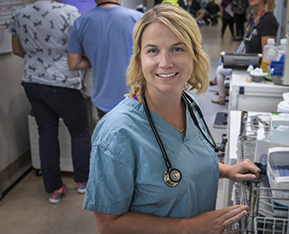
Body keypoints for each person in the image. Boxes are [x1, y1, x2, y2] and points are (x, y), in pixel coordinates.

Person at [83, 4, 261, 233]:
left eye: (177, 49)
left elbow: (183, 161)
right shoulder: (117, 134)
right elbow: (108, 225)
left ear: (195, 56)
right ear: (139, 59)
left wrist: (226, 170)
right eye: (153, 50)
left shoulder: (189, 106)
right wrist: (191, 227)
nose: (165, 62)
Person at [9, 0, 90, 203]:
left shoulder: (20, 13)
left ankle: (54, 190)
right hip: (64, 82)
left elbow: (17, 50)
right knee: (79, 132)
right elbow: (83, 47)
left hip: (33, 82)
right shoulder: (70, 12)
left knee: (46, 134)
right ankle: (83, 182)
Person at [67, 0, 143, 119]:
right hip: (136, 98)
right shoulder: (138, 18)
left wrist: (97, 60)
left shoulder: (81, 22)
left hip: (105, 101)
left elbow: (73, 64)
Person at [211, 0, 278, 105]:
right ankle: (224, 92)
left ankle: (221, 97)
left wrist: (259, 74)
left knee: (220, 69)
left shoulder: (268, 20)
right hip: (246, 58)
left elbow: (267, 53)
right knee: (223, 58)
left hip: (255, 66)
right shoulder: (253, 17)